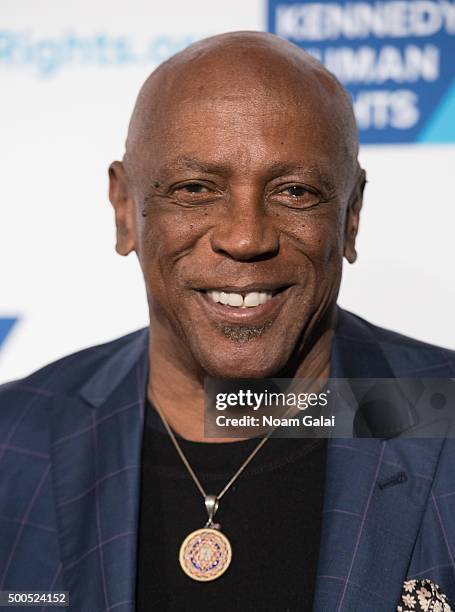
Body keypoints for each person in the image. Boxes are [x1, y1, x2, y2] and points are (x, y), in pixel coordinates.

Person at [0, 31, 454, 612]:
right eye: (195, 189)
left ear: (351, 216)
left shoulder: (441, 414)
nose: (245, 238)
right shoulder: (16, 441)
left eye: (295, 191)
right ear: (124, 211)